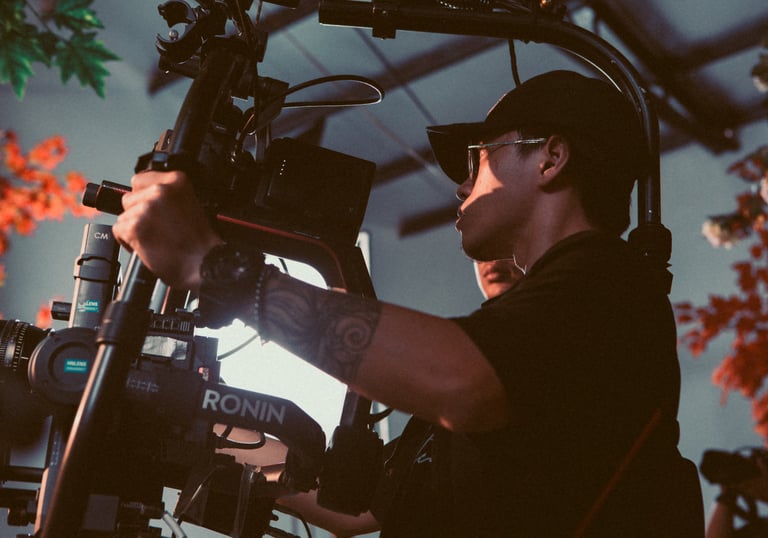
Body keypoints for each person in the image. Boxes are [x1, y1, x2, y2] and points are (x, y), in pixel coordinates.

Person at [112, 70, 705, 536]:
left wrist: (214, 268)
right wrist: (199, 431)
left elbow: (460, 378)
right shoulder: (537, 346)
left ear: (551, 158)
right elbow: (356, 508)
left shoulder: (607, 284)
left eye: (477, 157)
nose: (461, 185)